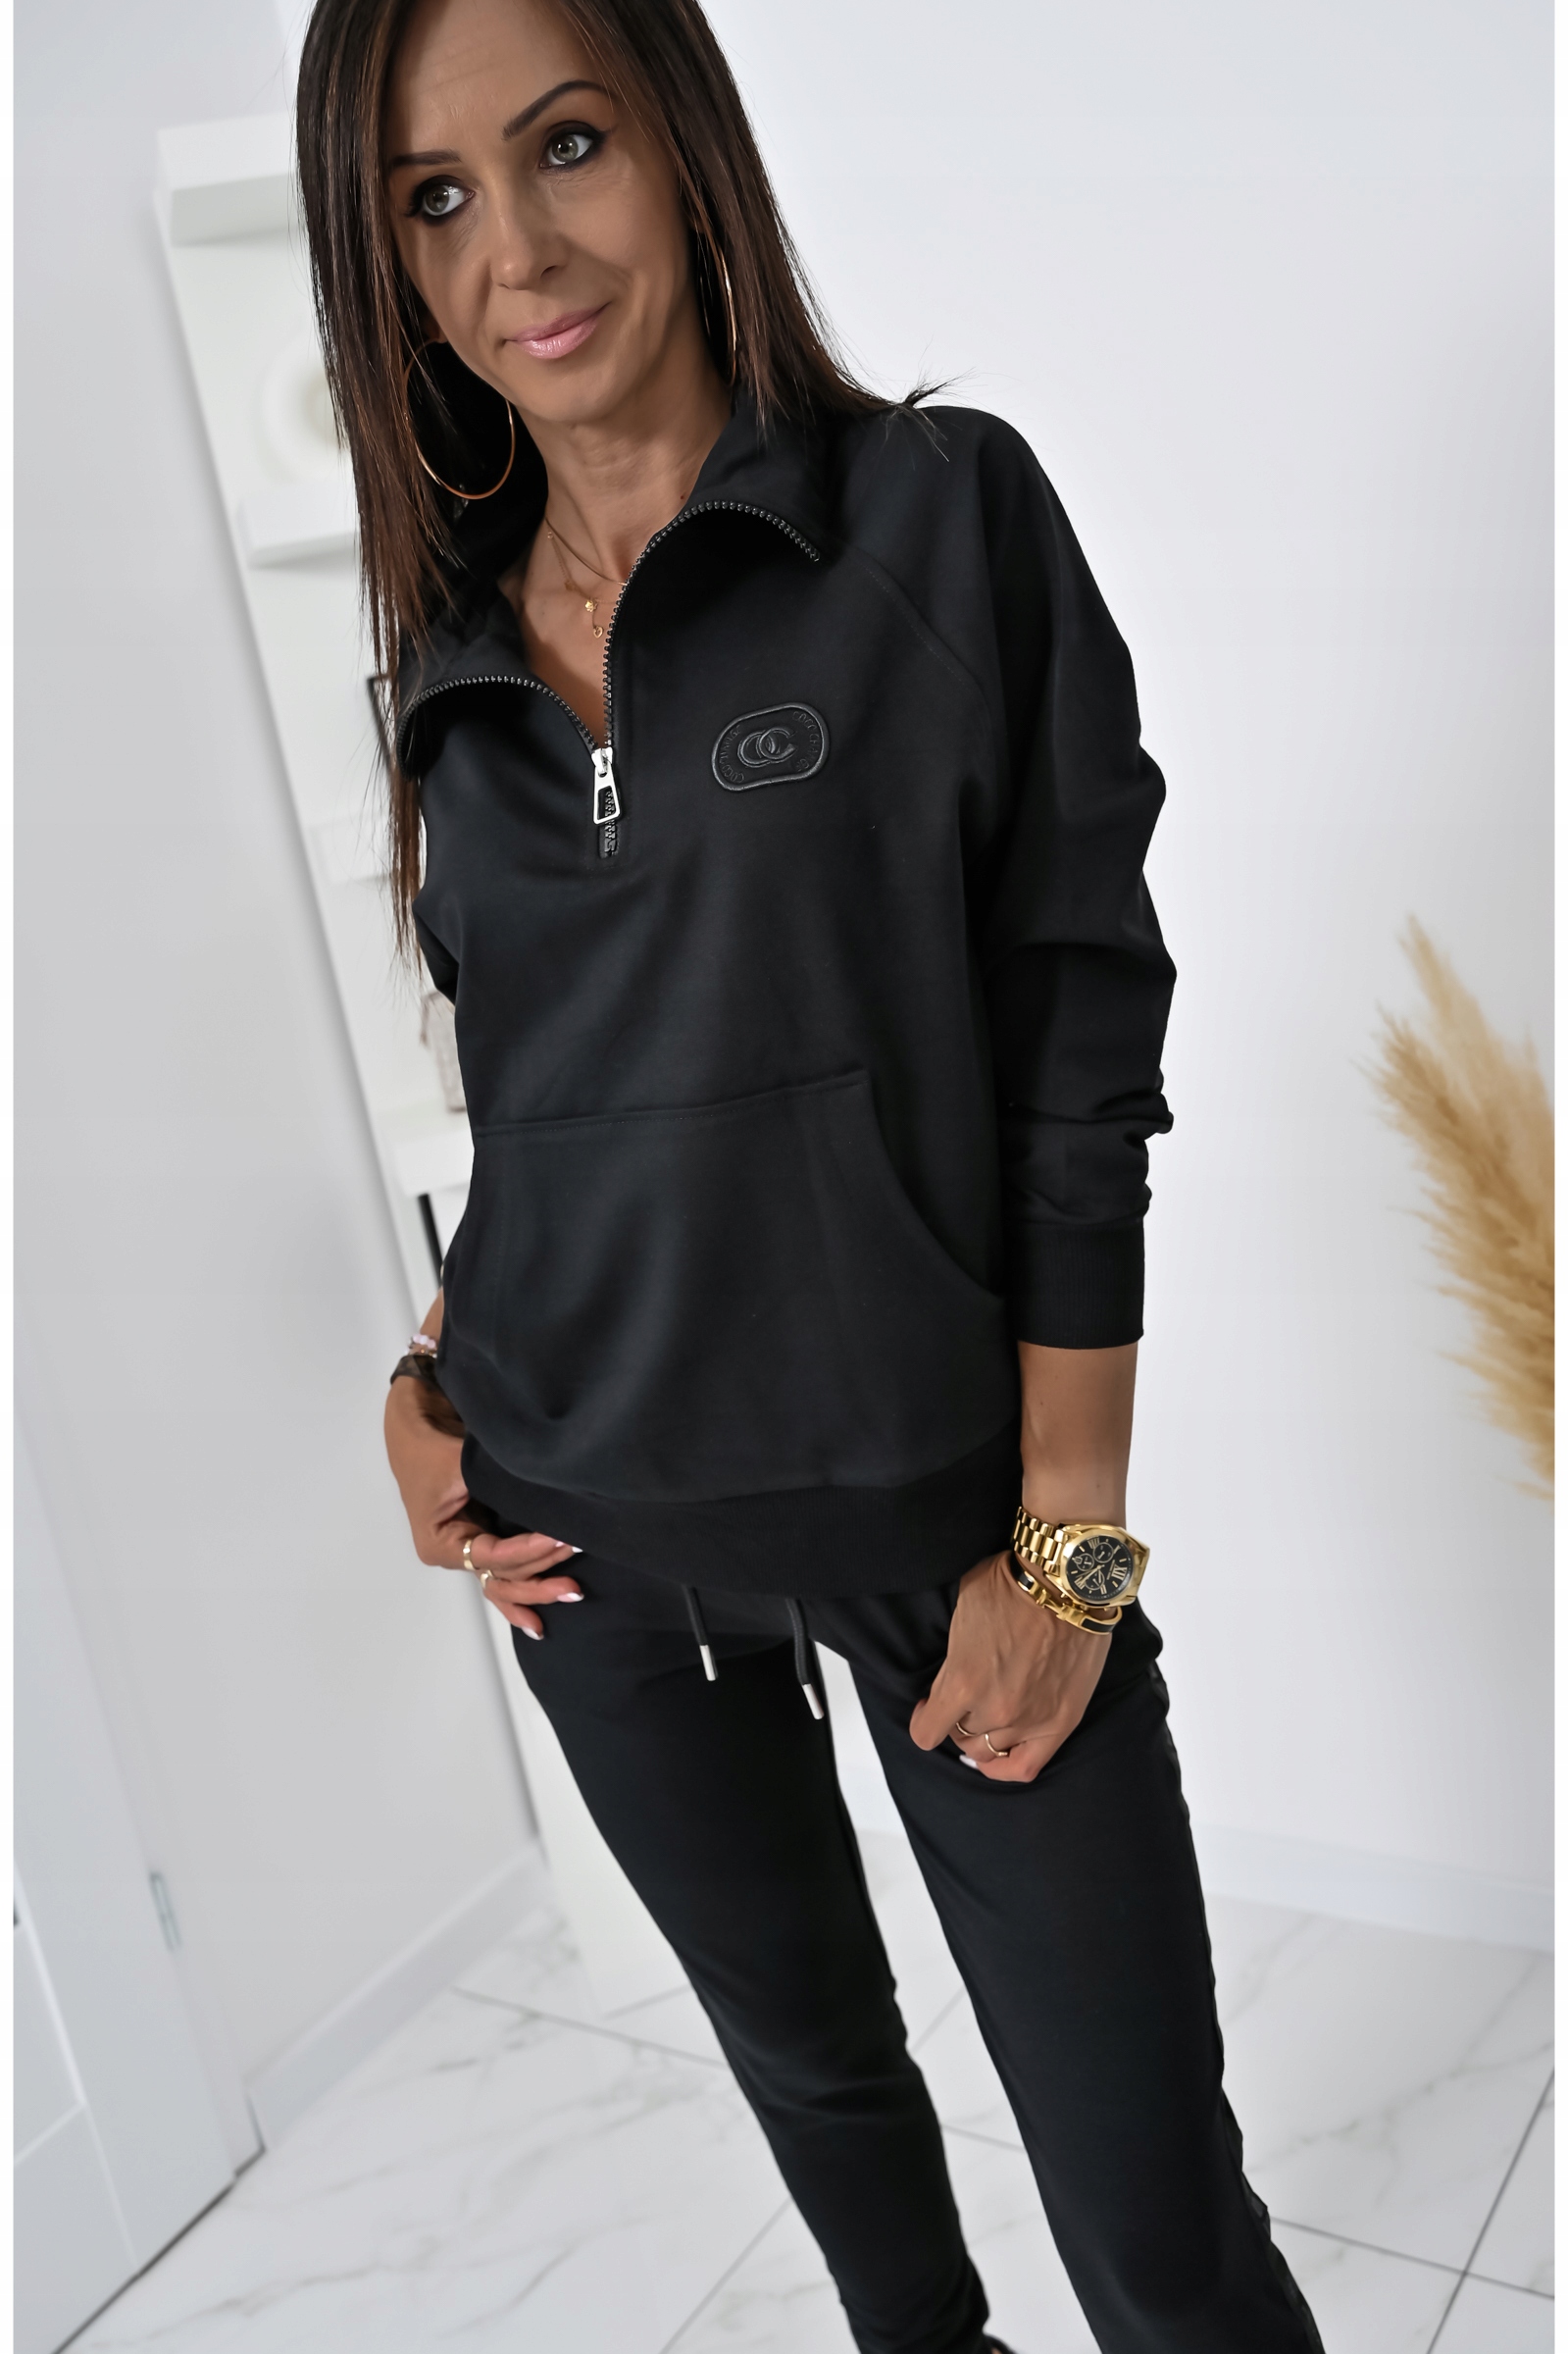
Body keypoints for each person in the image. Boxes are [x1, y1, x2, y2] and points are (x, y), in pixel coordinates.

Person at [297, 2, 1323, 2347]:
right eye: (429, 198)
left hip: (950, 1542)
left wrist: (1069, 1555)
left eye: (564, 145)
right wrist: (427, 1376)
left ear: (679, 138)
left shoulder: (936, 519)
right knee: (837, 2141)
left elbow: (1079, 1057)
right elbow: (555, 1095)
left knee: (1162, 2236)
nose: (513, 248)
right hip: (591, 1553)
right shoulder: (442, 651)